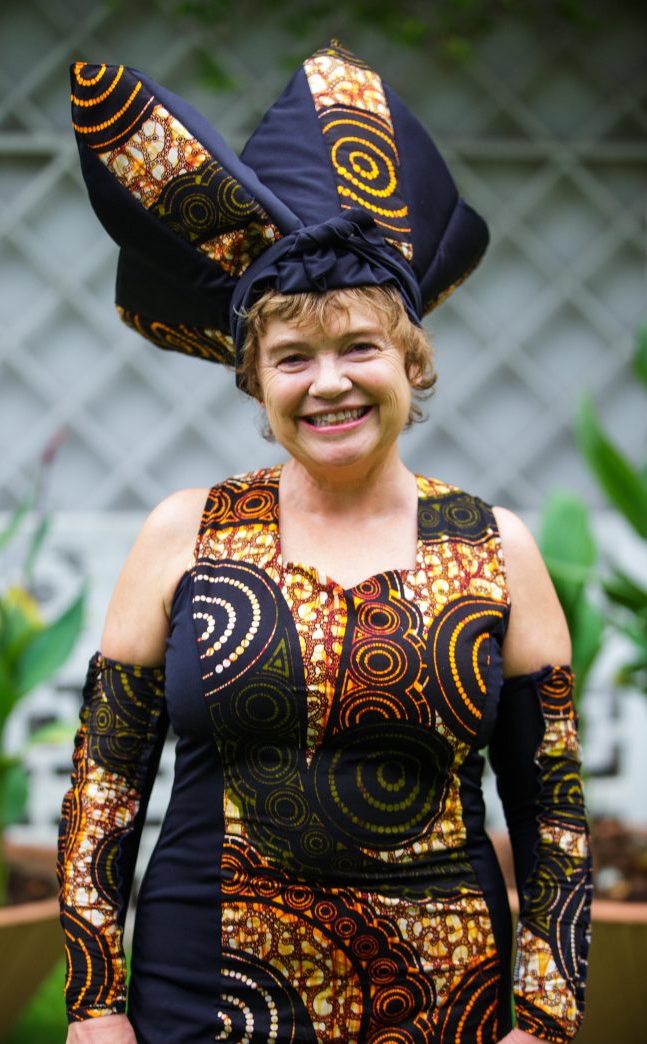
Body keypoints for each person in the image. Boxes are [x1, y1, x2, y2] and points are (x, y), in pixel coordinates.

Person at [59, 44, 591, 1043]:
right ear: (256, 380)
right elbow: (105, 791)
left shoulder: (497, 547)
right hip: (204, 1000)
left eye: (359, 346)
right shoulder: (184, 534)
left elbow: (552, 819)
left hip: (443, 1003)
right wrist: (94, 1006)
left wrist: (545, 1019)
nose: (329, 382)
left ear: (410, 360)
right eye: (293, 356)